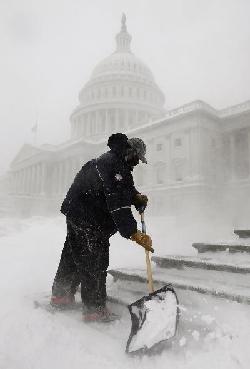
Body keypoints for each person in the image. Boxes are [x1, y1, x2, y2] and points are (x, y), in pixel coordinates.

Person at [51, 133, 153, 322]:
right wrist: (133, 233)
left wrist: (135, 196)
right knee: (94, 261)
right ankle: (94, 309)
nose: (137, 163)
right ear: (130, 152)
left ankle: (61, 295)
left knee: (73, 256)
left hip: (76, 213)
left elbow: (122, 189)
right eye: (137, 159)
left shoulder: (112, 161)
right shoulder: (117, 166)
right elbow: (118, 203)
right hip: (89, 218)